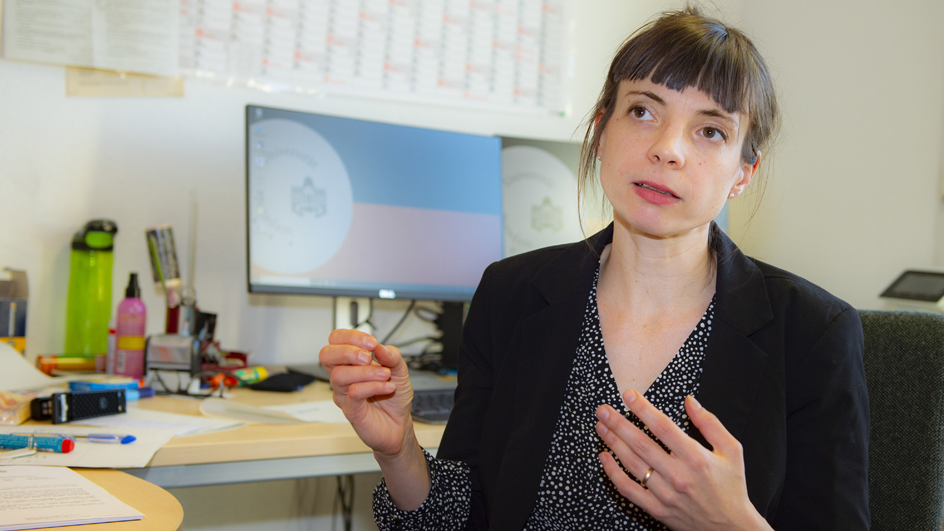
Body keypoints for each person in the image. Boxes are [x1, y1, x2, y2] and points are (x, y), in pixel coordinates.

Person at [320, 7, 870, 530]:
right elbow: (467, 516)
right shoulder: (511, 294)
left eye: (710, 131)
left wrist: (731, 523)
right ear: (602, 129)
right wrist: (399, 451)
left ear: (743, 173)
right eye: (643, 111)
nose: (668, 149)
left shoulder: (812, 334)